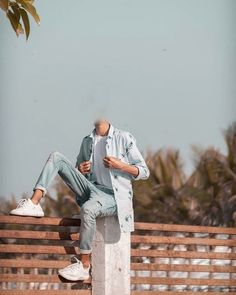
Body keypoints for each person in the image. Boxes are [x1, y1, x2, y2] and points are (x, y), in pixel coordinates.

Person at [10, 119, 150, 281]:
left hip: (114, 197)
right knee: (57, 157)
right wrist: (80, 170)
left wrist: (120, 165)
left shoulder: (124, 137)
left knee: (88, 209)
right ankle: (34, 203)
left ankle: (84, 266)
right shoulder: (87, 141)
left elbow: (145, 172)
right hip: (90, 190)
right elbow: (77, 173)